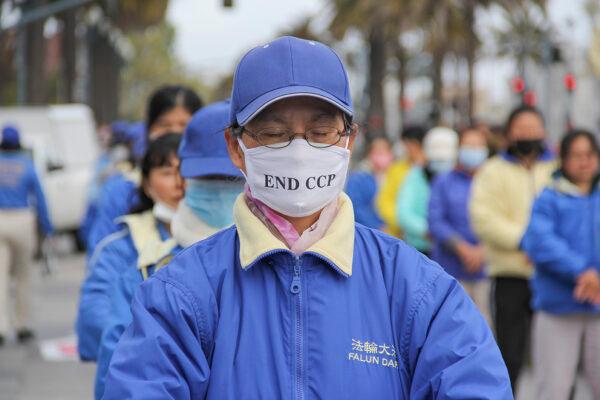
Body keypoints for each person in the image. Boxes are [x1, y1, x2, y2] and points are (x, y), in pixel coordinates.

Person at [103, 36, 511, 399]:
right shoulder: (181, 295)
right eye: (275, 133)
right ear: (235, 146)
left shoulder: (419, 291)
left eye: (320, 133)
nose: (299, 149)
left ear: (349, 139)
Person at [93, 100, 244, 399]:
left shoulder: (284, 271)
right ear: (182, 179)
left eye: (231, 180)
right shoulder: (149, 273)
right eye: (207, 180)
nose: (220, 190)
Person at [469, 105, 556, 392]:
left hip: (553, 276)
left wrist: (546, 250)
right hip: (510, 277)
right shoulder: (492, 171)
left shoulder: (556, 169)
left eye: (534, 128)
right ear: (509, 133)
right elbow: (484, 218)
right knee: (510, 356)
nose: (528, 134)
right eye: (522, 129)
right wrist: (524, 241)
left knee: (554, 359)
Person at [76, 133, 183, 361]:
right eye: (166, 172)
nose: (178, 182)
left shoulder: (222, 239)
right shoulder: (121, 246)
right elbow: (96, 314)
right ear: (146, 184)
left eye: (186, 172)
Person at [522, 129, 600, 400]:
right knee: (554, 388)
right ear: (563, 160)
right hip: (557, 307)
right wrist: (582, 272)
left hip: (598, 305)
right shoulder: (549, 198)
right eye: (576, 156)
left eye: (589, 155)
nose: (584, 162)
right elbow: (539, 241)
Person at [86, 85, 202, 255]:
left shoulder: (213, 186)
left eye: (184, 125)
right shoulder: (119, 190)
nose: (175, 134)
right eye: (164, 125)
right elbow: (102, 255)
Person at [428, 127, 490, 324]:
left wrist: (483, 249)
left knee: (484, 324)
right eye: (468, 146)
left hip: (487, 269)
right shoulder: (443, 181)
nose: (473, 151)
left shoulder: (492, 181)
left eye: (478, 146)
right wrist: (463, 249)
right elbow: (435, 220)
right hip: (451, 267)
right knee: (450, 324)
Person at [0, 125, 54, 345]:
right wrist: (47, 228)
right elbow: (39, 198)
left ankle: (1, 328)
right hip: (22, 219)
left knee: (0, 277)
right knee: (23, 276)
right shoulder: (27, 165)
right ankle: (22, 326)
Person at [396, 127, 458, 256]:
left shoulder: (458, 179)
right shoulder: (415, 176)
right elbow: (404, 212)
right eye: (437, 160)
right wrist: (429, 230)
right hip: (421, 248)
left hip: (453, 249)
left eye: (444, 160)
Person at [376, 125, 427, 237]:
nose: (409, 148)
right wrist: (402, 222)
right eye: (407, 144)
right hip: (400, 234)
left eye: (413, 144)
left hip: (428, 236)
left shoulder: (430, 169)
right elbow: (385, 201)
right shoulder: (396, 169)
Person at [345, 135, 393, 229]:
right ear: (370, 154)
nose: (382, 155)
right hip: (369, 230)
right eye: (378, 152)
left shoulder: (394, 175)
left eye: (385, 151)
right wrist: (378, 227)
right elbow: (356, 207)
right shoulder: (358, 178)